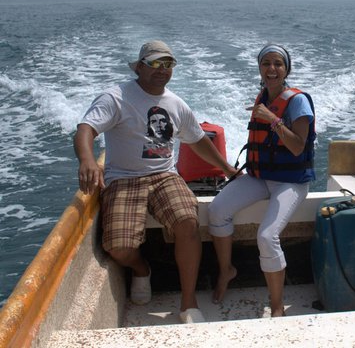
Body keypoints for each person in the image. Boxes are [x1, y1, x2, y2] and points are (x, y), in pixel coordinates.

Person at [74, 40, 237, 324]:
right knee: (118, 248)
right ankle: (141, 269)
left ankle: (188, 303)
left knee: (187, 221)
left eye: (168, 64)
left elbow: (198, 140)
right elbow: (85, 129)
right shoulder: (116, 97)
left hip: (165, 176)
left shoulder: (176, 104)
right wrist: (87, 160)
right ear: (139, 67)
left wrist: (228, 169)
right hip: (124, 178)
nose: (162, 69)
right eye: (155, 63)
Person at [208, 44, 316, 317]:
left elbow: (297, 147)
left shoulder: (298, 102)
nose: (272, 69)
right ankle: (226, 270)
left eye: (278, 63)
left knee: (267, 236)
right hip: (260, 176)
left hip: (291, 182)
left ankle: (277, 305)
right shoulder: (264, 97)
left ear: (286, 69)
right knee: (217, 210)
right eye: (266, 63)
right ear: (259, 68)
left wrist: (273, 119)